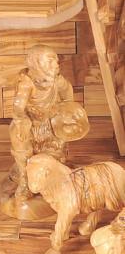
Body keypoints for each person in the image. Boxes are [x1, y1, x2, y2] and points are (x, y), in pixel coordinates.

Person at [9, 44, 88, 201]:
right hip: (30, 124)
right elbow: (18, 106)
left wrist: (66, 109)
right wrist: (21, 120)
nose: (56, 64)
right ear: (36, 63)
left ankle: (53, 172)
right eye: (50, 61)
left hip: (50, 122)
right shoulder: (27, 83)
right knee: (21, 144)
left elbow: (67, 91)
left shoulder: (56, 80)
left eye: (56, 61)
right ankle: (25, 180)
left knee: (57, 146)